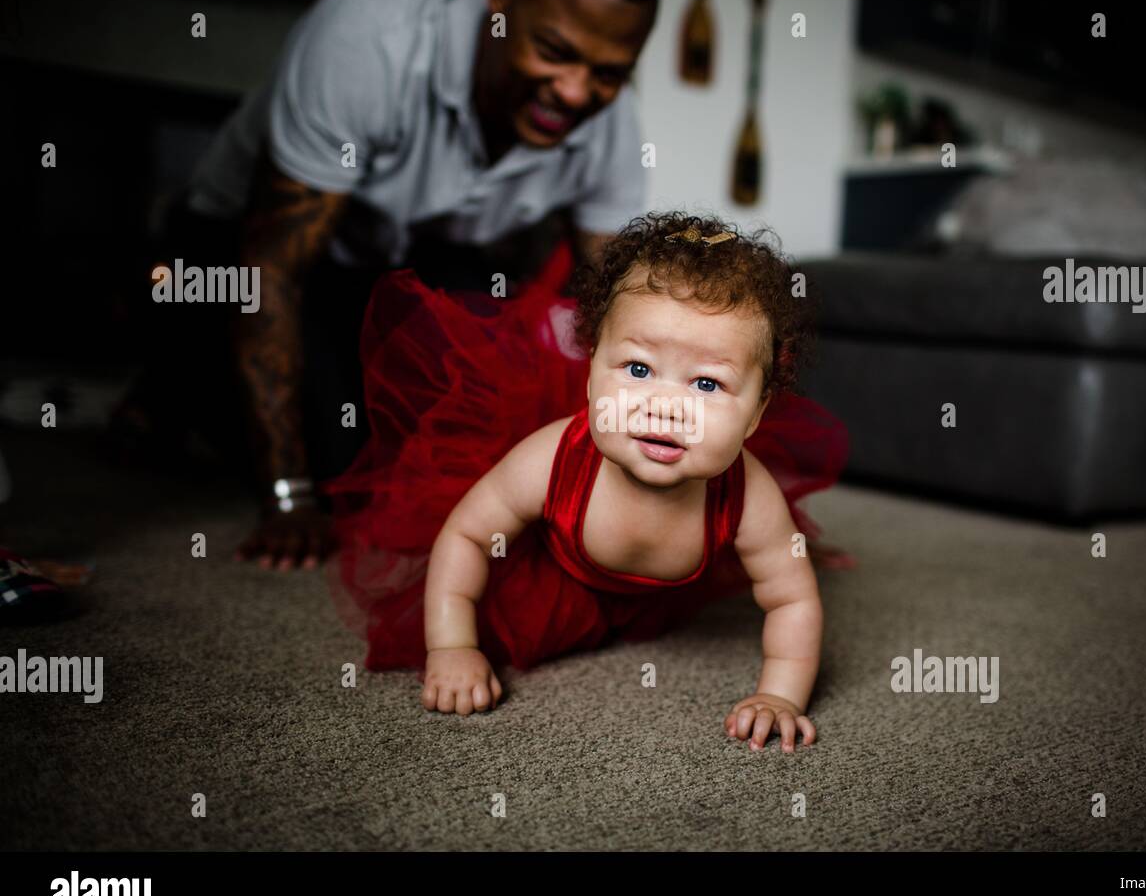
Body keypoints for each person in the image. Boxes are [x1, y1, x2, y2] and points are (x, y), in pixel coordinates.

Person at [118, 0, 659, 572]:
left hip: (400, 260)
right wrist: (287, 497)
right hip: (239, 252)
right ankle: (171, 379)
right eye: (553, 50)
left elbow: (620, 304)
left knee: (448, 447)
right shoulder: (369, 40)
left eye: (609, 73)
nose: (576, 91)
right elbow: (268, 271)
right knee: (337, 475)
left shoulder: (608, 123)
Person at [325, 211, 850, 752]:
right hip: (554, 574)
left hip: (657, 590)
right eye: (639, 369)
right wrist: (452, 647)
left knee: (788, 557)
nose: (666, 408)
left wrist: (781, 695)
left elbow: (792, 601)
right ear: (592, 366)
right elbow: (468, 536)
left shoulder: (749, 498)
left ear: (758, 413)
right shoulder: (551, 460)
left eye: (707, 382)